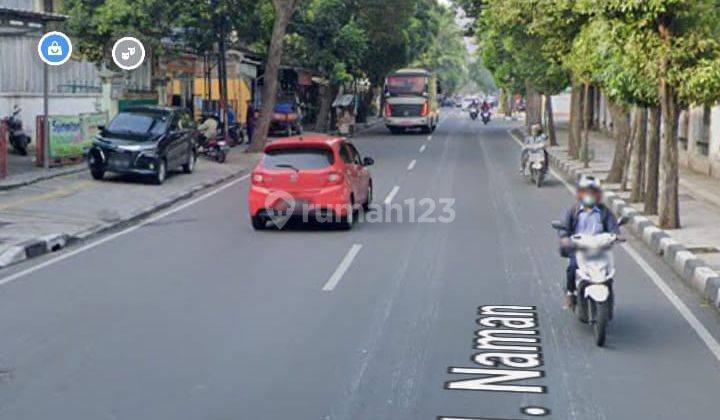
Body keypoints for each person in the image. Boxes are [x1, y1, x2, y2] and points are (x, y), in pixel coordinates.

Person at [557, 176, 620, 308]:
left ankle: (609, 297)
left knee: (609, 271)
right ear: (580, 193)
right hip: (579, 248)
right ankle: (570, 293)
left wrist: (616, 236)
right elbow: (564, 227)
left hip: (599, 248)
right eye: (586, 192)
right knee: (572, 267)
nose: (589, 195)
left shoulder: (604, 212)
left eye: (593, 192)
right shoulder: (573, 211)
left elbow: (612, 226)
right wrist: (564, 238)